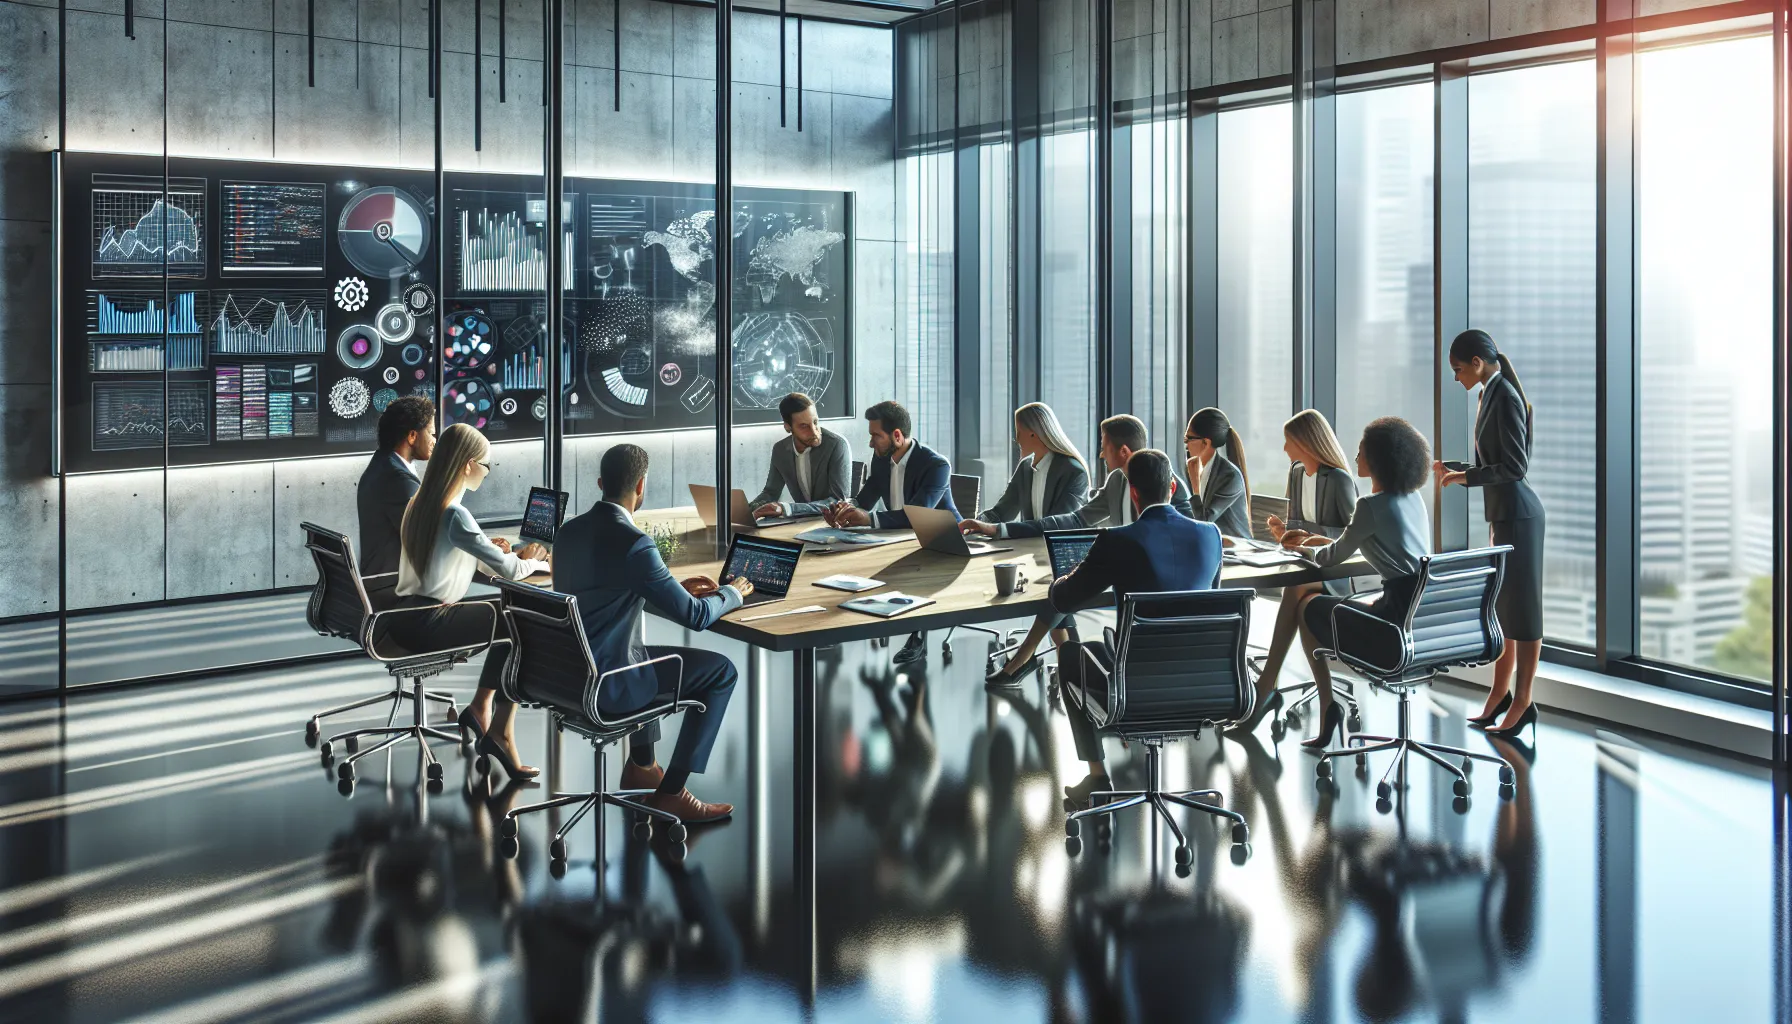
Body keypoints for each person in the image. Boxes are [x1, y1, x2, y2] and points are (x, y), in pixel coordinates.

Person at [554, 443, 755, 824]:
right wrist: (732, 593)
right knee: (721, 671)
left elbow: (606, 588)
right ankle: (672, 791)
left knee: (643, 653)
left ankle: (642, 766)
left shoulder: (568, 533)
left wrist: (671, 585)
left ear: (600, 483)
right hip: (608, 683)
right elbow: (696, 617)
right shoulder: (635, 543)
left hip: (567, 674)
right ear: (641, 485)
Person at [1047, 449, 1223, 809]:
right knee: (1112, 648)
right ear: (1173, 487)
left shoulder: (1116, 540)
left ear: (1133, 493)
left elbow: (1064, 600)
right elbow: (1211, 607)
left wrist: (1058, 580)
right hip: (1202, 687)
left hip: (1135, 689)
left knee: (1071, 653)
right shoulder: (1211, 536)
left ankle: (1098, 774)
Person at [962, 414, 1194, 686]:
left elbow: (1191, 528)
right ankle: (1038, 658)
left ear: (1123, 451)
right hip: (1134, 587)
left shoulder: (1163, 480)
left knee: (1063, 587)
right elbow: (1076, 520)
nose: (1099, 453)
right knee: (1065, 581)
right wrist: (1002, 529)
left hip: (1157, 591)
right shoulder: (1117, 482)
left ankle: (1030, 659)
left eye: (1104, 445)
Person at [390, 424, 553, 777]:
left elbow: (444, 554)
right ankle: (499, 730)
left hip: (405, 617)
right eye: (486, 464)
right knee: (524, 620)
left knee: (511, 618)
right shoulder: (455, 513)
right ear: (466, 465)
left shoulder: (420, 504)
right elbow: (510, 571)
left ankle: (481, 709)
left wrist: (486, 549)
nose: (487, 471)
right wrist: (541, 561)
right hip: (429, 622)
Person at [1279, 417, 1433, 750]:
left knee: (1306, 606)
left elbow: (1331, 557)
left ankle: (1327, 705)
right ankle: (1326, 705)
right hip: (1421, 621)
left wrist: (1299, 544)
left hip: (1391, 624)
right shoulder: (1414, 499)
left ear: (1377, 459)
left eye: (1362, 450)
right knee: (1313, 602)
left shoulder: (1369, 506)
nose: (1356, 455)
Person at [1437, 329, 1545, 739]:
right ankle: (1500, 691)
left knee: (1525, 612)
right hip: (1503, 515)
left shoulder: (1506, 397)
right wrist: (1455, 467)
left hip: (1520, 516)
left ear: (1478, 363)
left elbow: (1515, 468)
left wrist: (1465, 477)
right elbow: (1495, 460)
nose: (1456, 378)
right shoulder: (1489, 393)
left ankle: (1523, 700)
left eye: (1458, 369)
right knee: (1503, 609)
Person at [1235, 410, 1359, 731]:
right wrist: (1282, 533)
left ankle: (1266, 688)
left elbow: (1353, 538)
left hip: (1336, 574)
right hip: (1306, 569)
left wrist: (1309, 539)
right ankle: (1326, 702)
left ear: (1306, 442)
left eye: (1289, 442)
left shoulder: (1340, 481)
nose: (1285, 449)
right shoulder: (1296, 472)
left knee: (1297, 591)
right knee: (1301, 604)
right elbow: (1294, 528)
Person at [825, 401, 957, 667]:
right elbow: (866, 500)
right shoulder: (882, 460)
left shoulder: (936, 465)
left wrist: (868, 518)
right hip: (900, 536)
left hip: (941, 542)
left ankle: (916, 637)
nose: (872, 443)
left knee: (904, 567)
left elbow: (916, 515)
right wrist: (845, 510)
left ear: (897, 436)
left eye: (876, 436)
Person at [357, 395, 437, 576]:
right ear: (412, 436)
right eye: (431, 433)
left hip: (382, 579)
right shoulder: (398, 480)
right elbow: (428, 538)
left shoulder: (381, 464)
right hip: (393, 587)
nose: (434, 439)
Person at [977, 402, 1092, 525]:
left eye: (1019, 432)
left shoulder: (1074, 472)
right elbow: (1002, 512)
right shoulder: (1025, 467)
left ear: (1033, 433)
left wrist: (1003, 530)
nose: (1017, 440)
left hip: (1060, 544)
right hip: (1032, 543)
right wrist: (976, 522)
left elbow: (1059, 525)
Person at [749, 392, 853, 520]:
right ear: (788, 427)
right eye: (804, 426)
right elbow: (771, 492)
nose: (814, 431)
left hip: (834, 521)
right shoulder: (780, 450)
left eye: (815, 422)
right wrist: (744, 511)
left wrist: (788, 509)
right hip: (803, 521)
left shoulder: (836, 445)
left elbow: (837, 501)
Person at [1182, 406, 1253, 539]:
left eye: (1189, 439)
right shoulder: (1193, 468)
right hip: (1208, 543)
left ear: (1206, 443)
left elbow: (1204, 522)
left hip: (1235, 549)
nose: (1186, 445)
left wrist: (1195, 487)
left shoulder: (1230, 476)